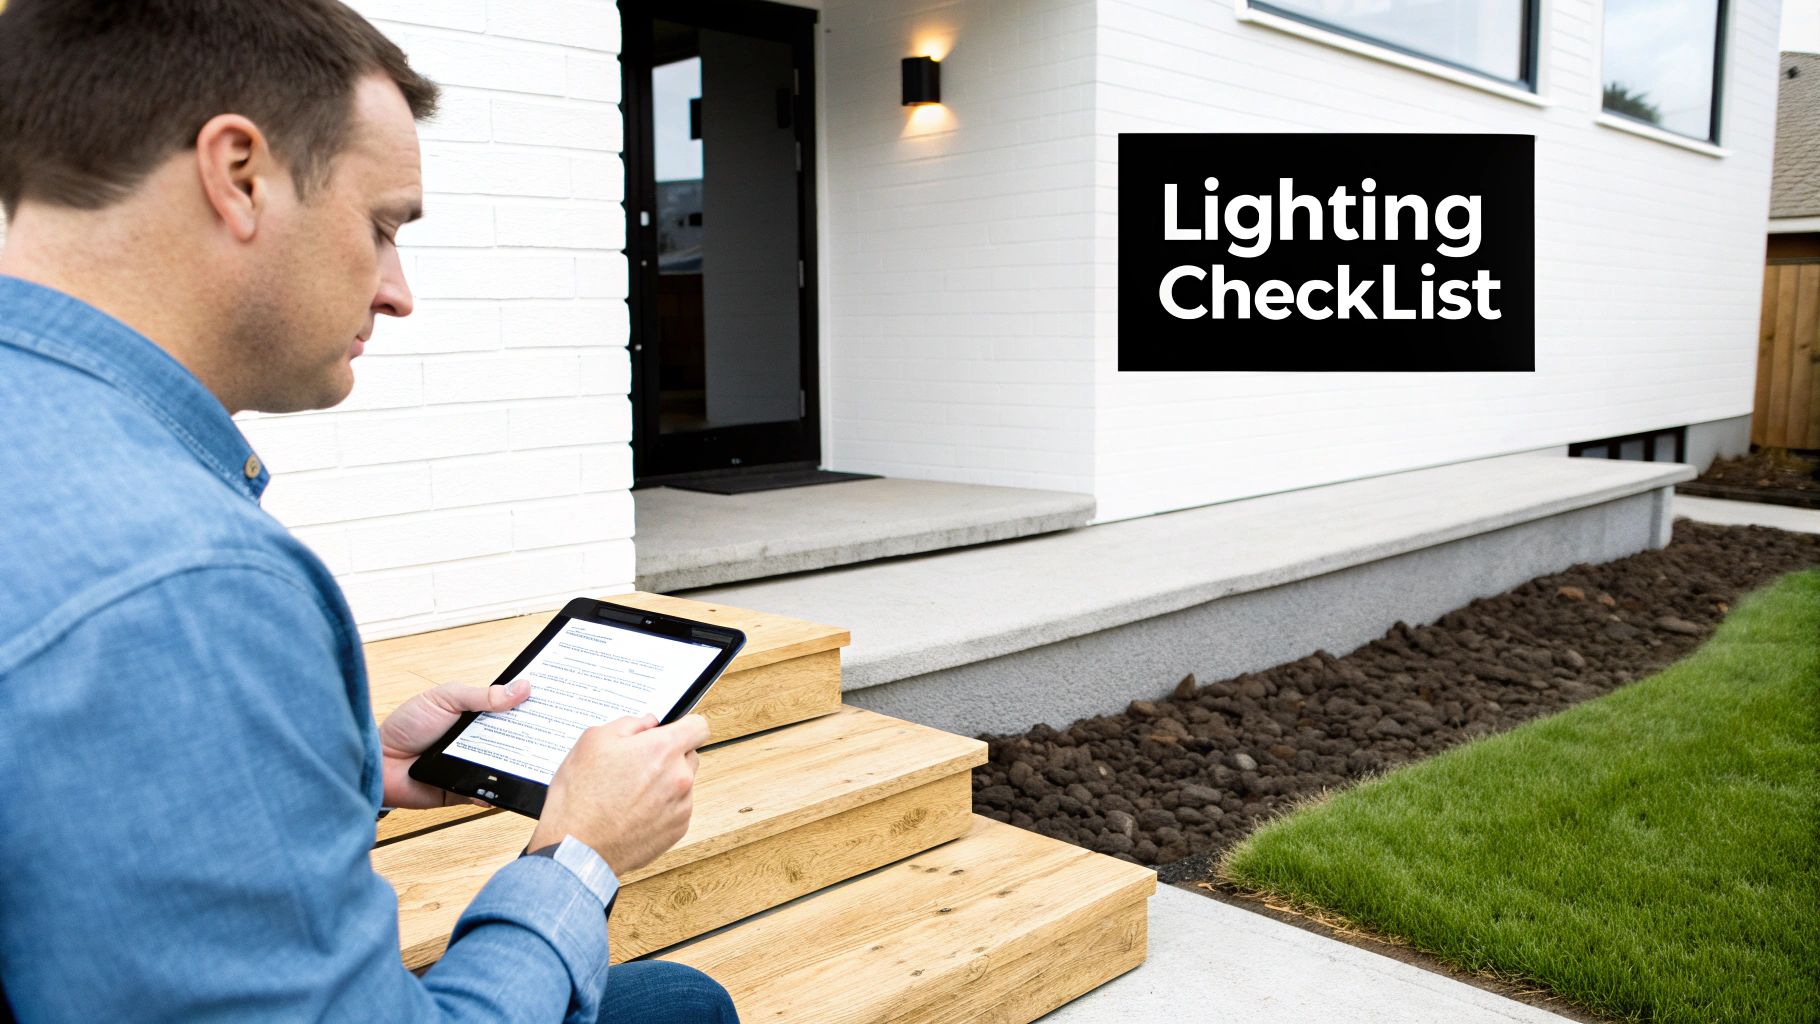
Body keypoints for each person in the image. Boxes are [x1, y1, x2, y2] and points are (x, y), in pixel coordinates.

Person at [0, 2, 737, 1021]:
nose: (398, 293)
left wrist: (354, 760)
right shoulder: (184, 580)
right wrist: (577, 854)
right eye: (382, 226)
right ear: (239, 173)